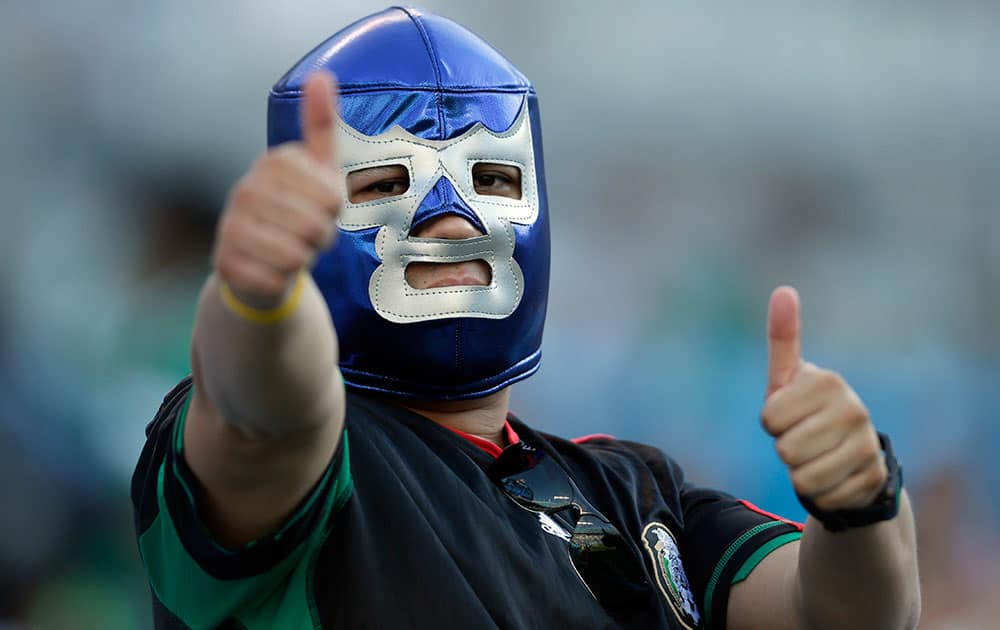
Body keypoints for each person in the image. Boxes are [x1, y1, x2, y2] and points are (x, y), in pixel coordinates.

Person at [131, 7, 920, 629]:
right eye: (380, 186)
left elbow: (837, 611)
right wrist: (257, 301)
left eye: (491, 176)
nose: (449, 219)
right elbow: (264, 412)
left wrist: (862, 502)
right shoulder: (318, 469)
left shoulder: (636, 490)